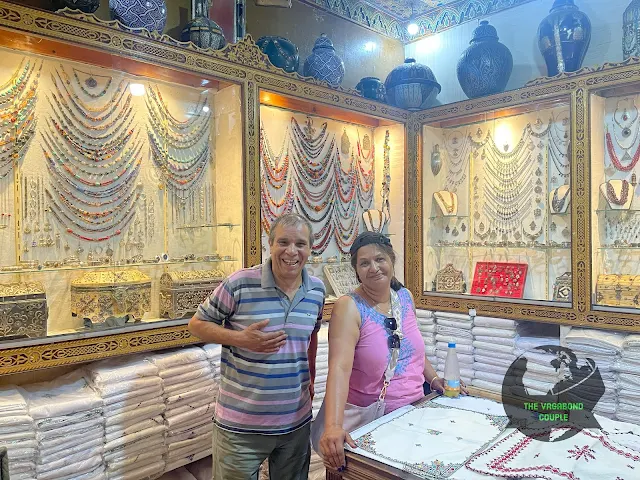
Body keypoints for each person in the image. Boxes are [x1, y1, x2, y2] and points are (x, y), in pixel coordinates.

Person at [188, 213, 326, 480]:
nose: (291, 251)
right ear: (270, 245)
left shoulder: (317, 291)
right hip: (240, 427)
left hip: (294, 424)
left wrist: (310, 374)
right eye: (283, 242)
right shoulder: (239, 283)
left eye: (300, 244)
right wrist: (241, 339)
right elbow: (196, 324)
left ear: (310, 248)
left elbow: (313, 333)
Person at [318, 231, 467, 471]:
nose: (374, 268)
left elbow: (410, 350)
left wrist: (434, 378)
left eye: (379, 260)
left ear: (392, 261)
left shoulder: (405, 298)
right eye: (364, 263)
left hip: (416, 412)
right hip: (372, 424)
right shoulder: (349, 307)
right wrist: (333, 425)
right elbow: (339, 368)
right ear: (356, 271)